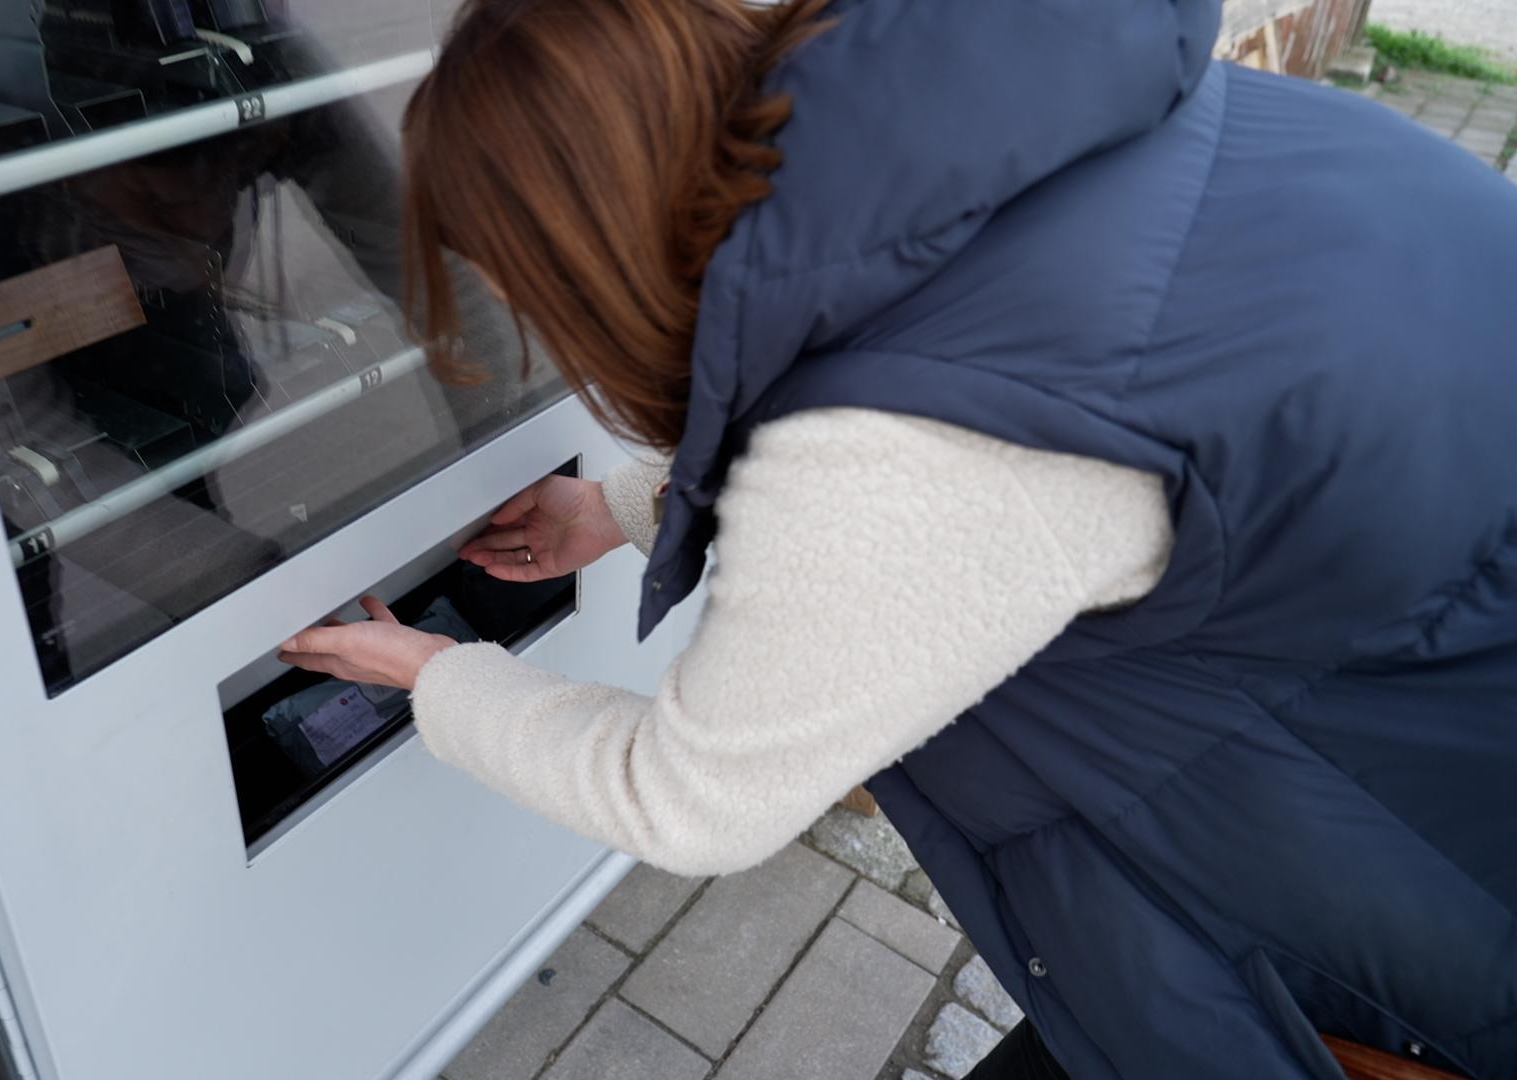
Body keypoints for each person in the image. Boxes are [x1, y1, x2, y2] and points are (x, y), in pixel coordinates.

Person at [276, 0, 1517, 1076]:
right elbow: (945, 386)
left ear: (586, 258)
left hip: (1419, 888)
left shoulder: (898, 455)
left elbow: (692, 799)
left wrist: (435, 675)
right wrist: (621, 506)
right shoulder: (975, 110)